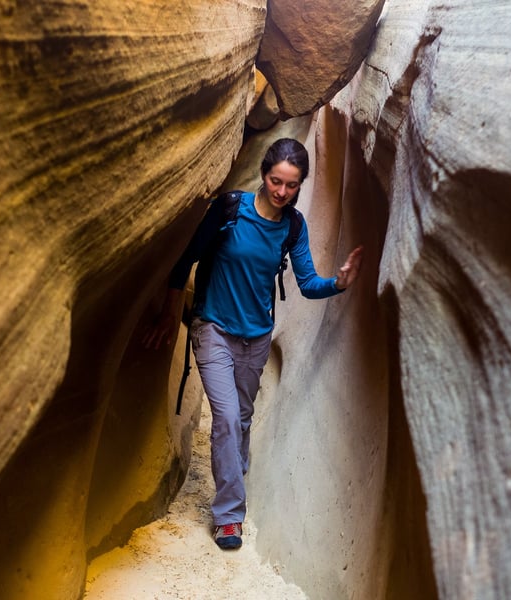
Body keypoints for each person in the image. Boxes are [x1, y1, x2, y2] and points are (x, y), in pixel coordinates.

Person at [144, 138, 363, 550]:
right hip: (213, 329)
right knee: (226, 419)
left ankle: (233, 468)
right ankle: (229, 516)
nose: (282, 192)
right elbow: (184, 259)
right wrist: (168, 315)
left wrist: (339, 283)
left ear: (300, 186)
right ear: (264, 174)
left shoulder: (293, 227)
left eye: (292, 186)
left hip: (255, 338)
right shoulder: (230, 210)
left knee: (240, 418)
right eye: (276, 181)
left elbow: (310, 284)